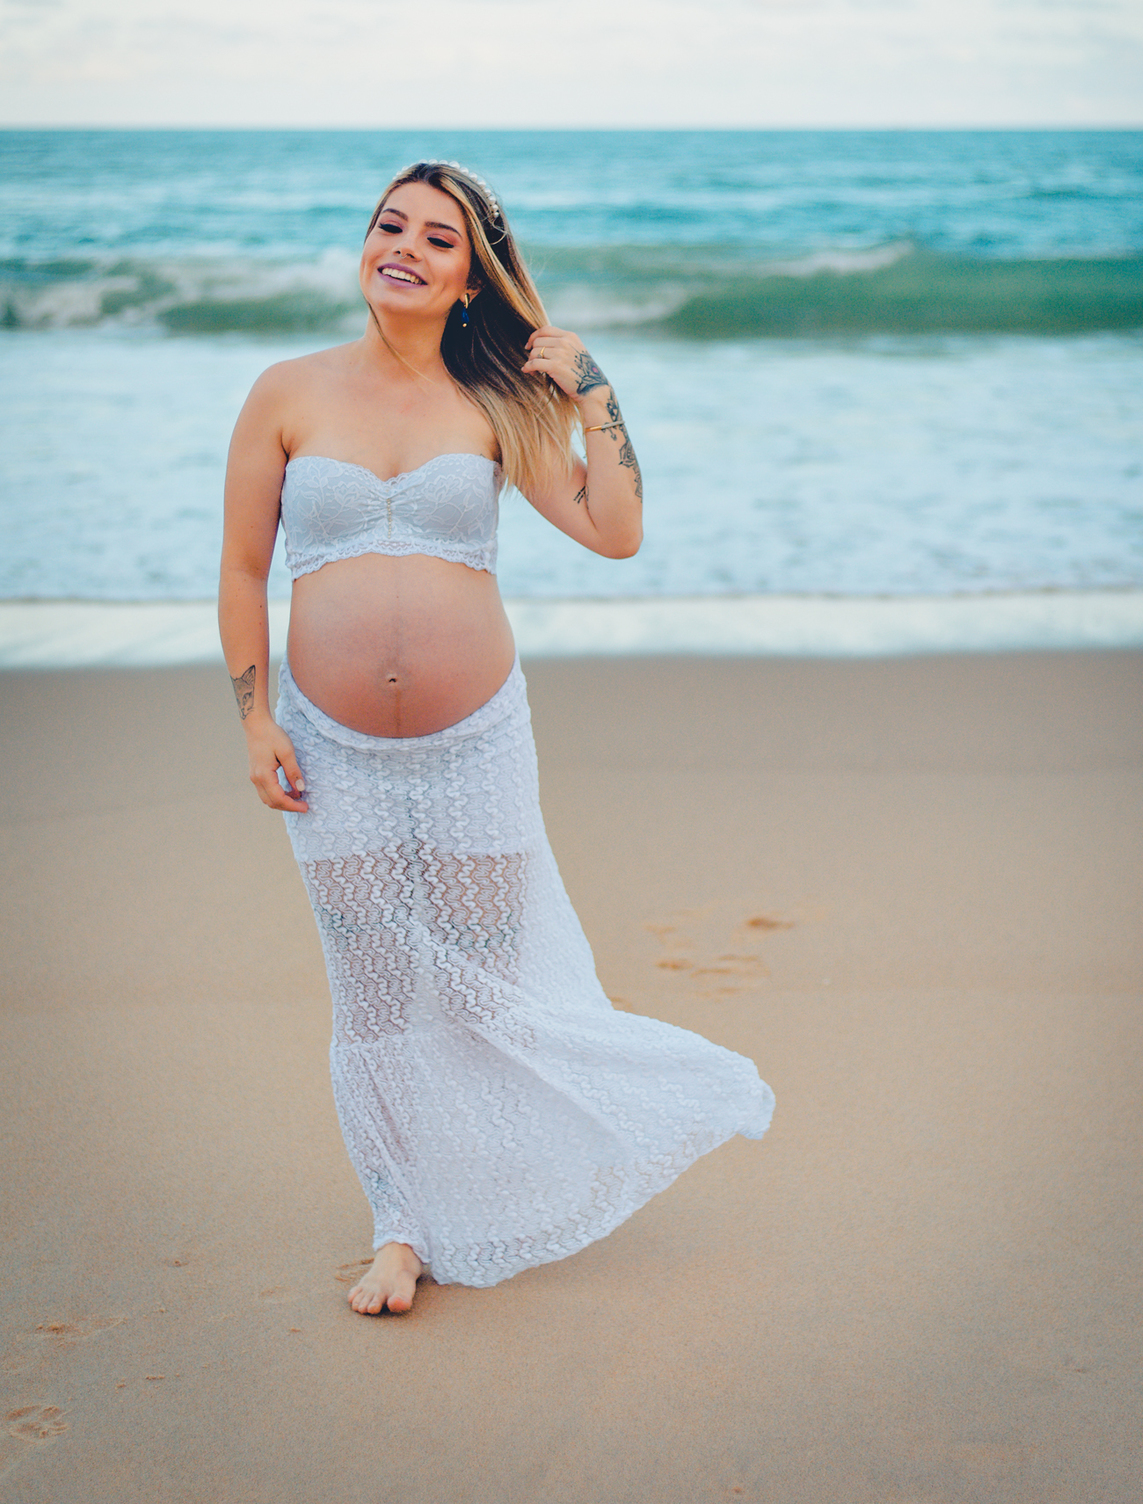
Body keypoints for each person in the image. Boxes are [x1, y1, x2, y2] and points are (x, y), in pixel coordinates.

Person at [218, 159, 773, 1315]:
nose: (406, 248)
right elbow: (241, 567)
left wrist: (592, 390)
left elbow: (615, 532)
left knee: (481, 985)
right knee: (371, 989)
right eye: (390, 225)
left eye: (440, 238)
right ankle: (402, 1227)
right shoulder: (287, 391)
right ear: (364, 244)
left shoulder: (497, 406)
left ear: (475, 276)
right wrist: (255, 716)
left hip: (476, 744)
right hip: (331, 749)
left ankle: (500, 1174)